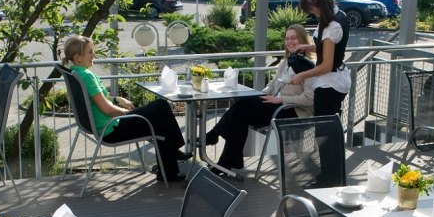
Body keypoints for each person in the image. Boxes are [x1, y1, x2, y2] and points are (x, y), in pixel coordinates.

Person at [62, 35, 187, 182]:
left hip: (106, 127)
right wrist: (127, 113)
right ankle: (173, 152)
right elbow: (108, 110)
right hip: (112, 130)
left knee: (158, 120)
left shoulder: (76, 73)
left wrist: (118, 99)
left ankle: (167, 167)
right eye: (90, 52)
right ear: (77, 58)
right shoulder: (87, 76)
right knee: (161, 106)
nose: (94, 55)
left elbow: (100, 99)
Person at [203, 24, 318, 171]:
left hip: (292, 111)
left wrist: (281, 99)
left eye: (294, 38)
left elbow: (310, 98)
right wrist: (261, 94)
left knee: (242, 107)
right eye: (287, 38)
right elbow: (272, 85)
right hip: (275, 106)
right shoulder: (286, 62)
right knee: (241, 113)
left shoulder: (310, 65)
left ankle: (217, 140)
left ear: (302, 40)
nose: (290, 41)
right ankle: (226, 161)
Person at [291, 0, 352, 119]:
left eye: (312, 9)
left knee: (324, 133)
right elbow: (330, 48)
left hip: (329, 84)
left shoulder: (331, 27)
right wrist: (309, 47)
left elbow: (326, 66)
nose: (313, 13)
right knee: (330, 129)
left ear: (317, 3)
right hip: (336, 80)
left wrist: (302, 75)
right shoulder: (338, 15)